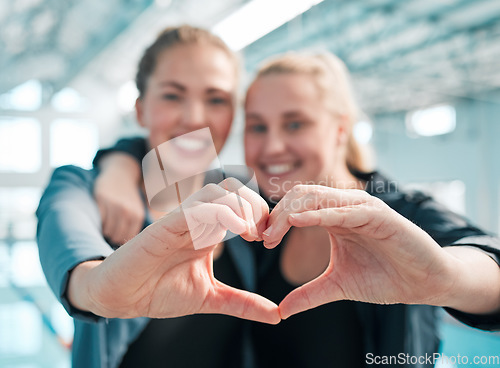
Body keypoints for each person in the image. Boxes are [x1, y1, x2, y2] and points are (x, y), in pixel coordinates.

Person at [92, 51, 500, 367]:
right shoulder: (255, 213)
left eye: (294, 124)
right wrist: (117, 166)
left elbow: (489, 261)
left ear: (340, 128)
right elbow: (160, 147)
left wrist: (444, 277)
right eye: (257, 126)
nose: (271, 148)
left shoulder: (396, 214)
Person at [37, 25, 281, 368]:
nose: (194, 117)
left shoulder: (245, 195)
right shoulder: (80, 189)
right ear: (140, 109)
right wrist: (102, 289)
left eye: (216, 99)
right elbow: (80, 274)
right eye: (172, 95)